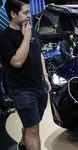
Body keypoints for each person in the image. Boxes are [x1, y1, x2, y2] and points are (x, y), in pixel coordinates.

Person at [0, 0, 51, 150]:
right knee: (33, 128)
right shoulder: (5, 37)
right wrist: (26, 36)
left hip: (40, 87)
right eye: (26, 12)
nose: (30, 15)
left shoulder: (32, 30)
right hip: (22, 90)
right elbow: (17, 62)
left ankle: (23, 144)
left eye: (29, 12)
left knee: (32, 124)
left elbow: (39, 55)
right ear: (13, 14)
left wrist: (46, 77)